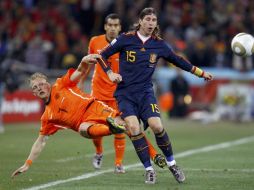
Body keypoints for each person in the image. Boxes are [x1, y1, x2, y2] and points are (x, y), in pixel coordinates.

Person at [97, 7, 213, 184]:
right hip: (125, 94)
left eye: (154, 20)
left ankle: (172, 164)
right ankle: (149, 169)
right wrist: (110, 73)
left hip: (145, 94)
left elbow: (178, 60)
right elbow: (102, 55)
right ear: (141, 21)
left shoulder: (159, 45)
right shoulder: (125, 39)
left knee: (157, 126)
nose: (151, 23)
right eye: (148, 20)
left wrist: (200, 73)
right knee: (134, 129)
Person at [11, 54, 126, 178]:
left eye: (41, 84)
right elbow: (40, 142)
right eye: (35, 87)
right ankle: (111, 129)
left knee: (129, 125)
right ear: (34, 93)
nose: (39, 88)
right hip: (85, 125)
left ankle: (148, 159)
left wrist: (83, 61)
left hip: (94, 108)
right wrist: (27, 164)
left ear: (48, 84)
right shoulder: (47, 117)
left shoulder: (60, 84)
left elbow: (80, 71)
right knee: (82, 129)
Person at [80, 13, 167, 173]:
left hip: (118, 94)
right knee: (95, 128)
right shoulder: (94, 41)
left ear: (120, 28)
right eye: (110, 25)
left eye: (116, 25)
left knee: (125, 127)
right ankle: (99, 152)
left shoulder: (125, 43)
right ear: (105, 26)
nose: (113, 28)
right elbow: (88, 64)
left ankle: (120, 162)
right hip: (98, 93)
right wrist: (80, 81)